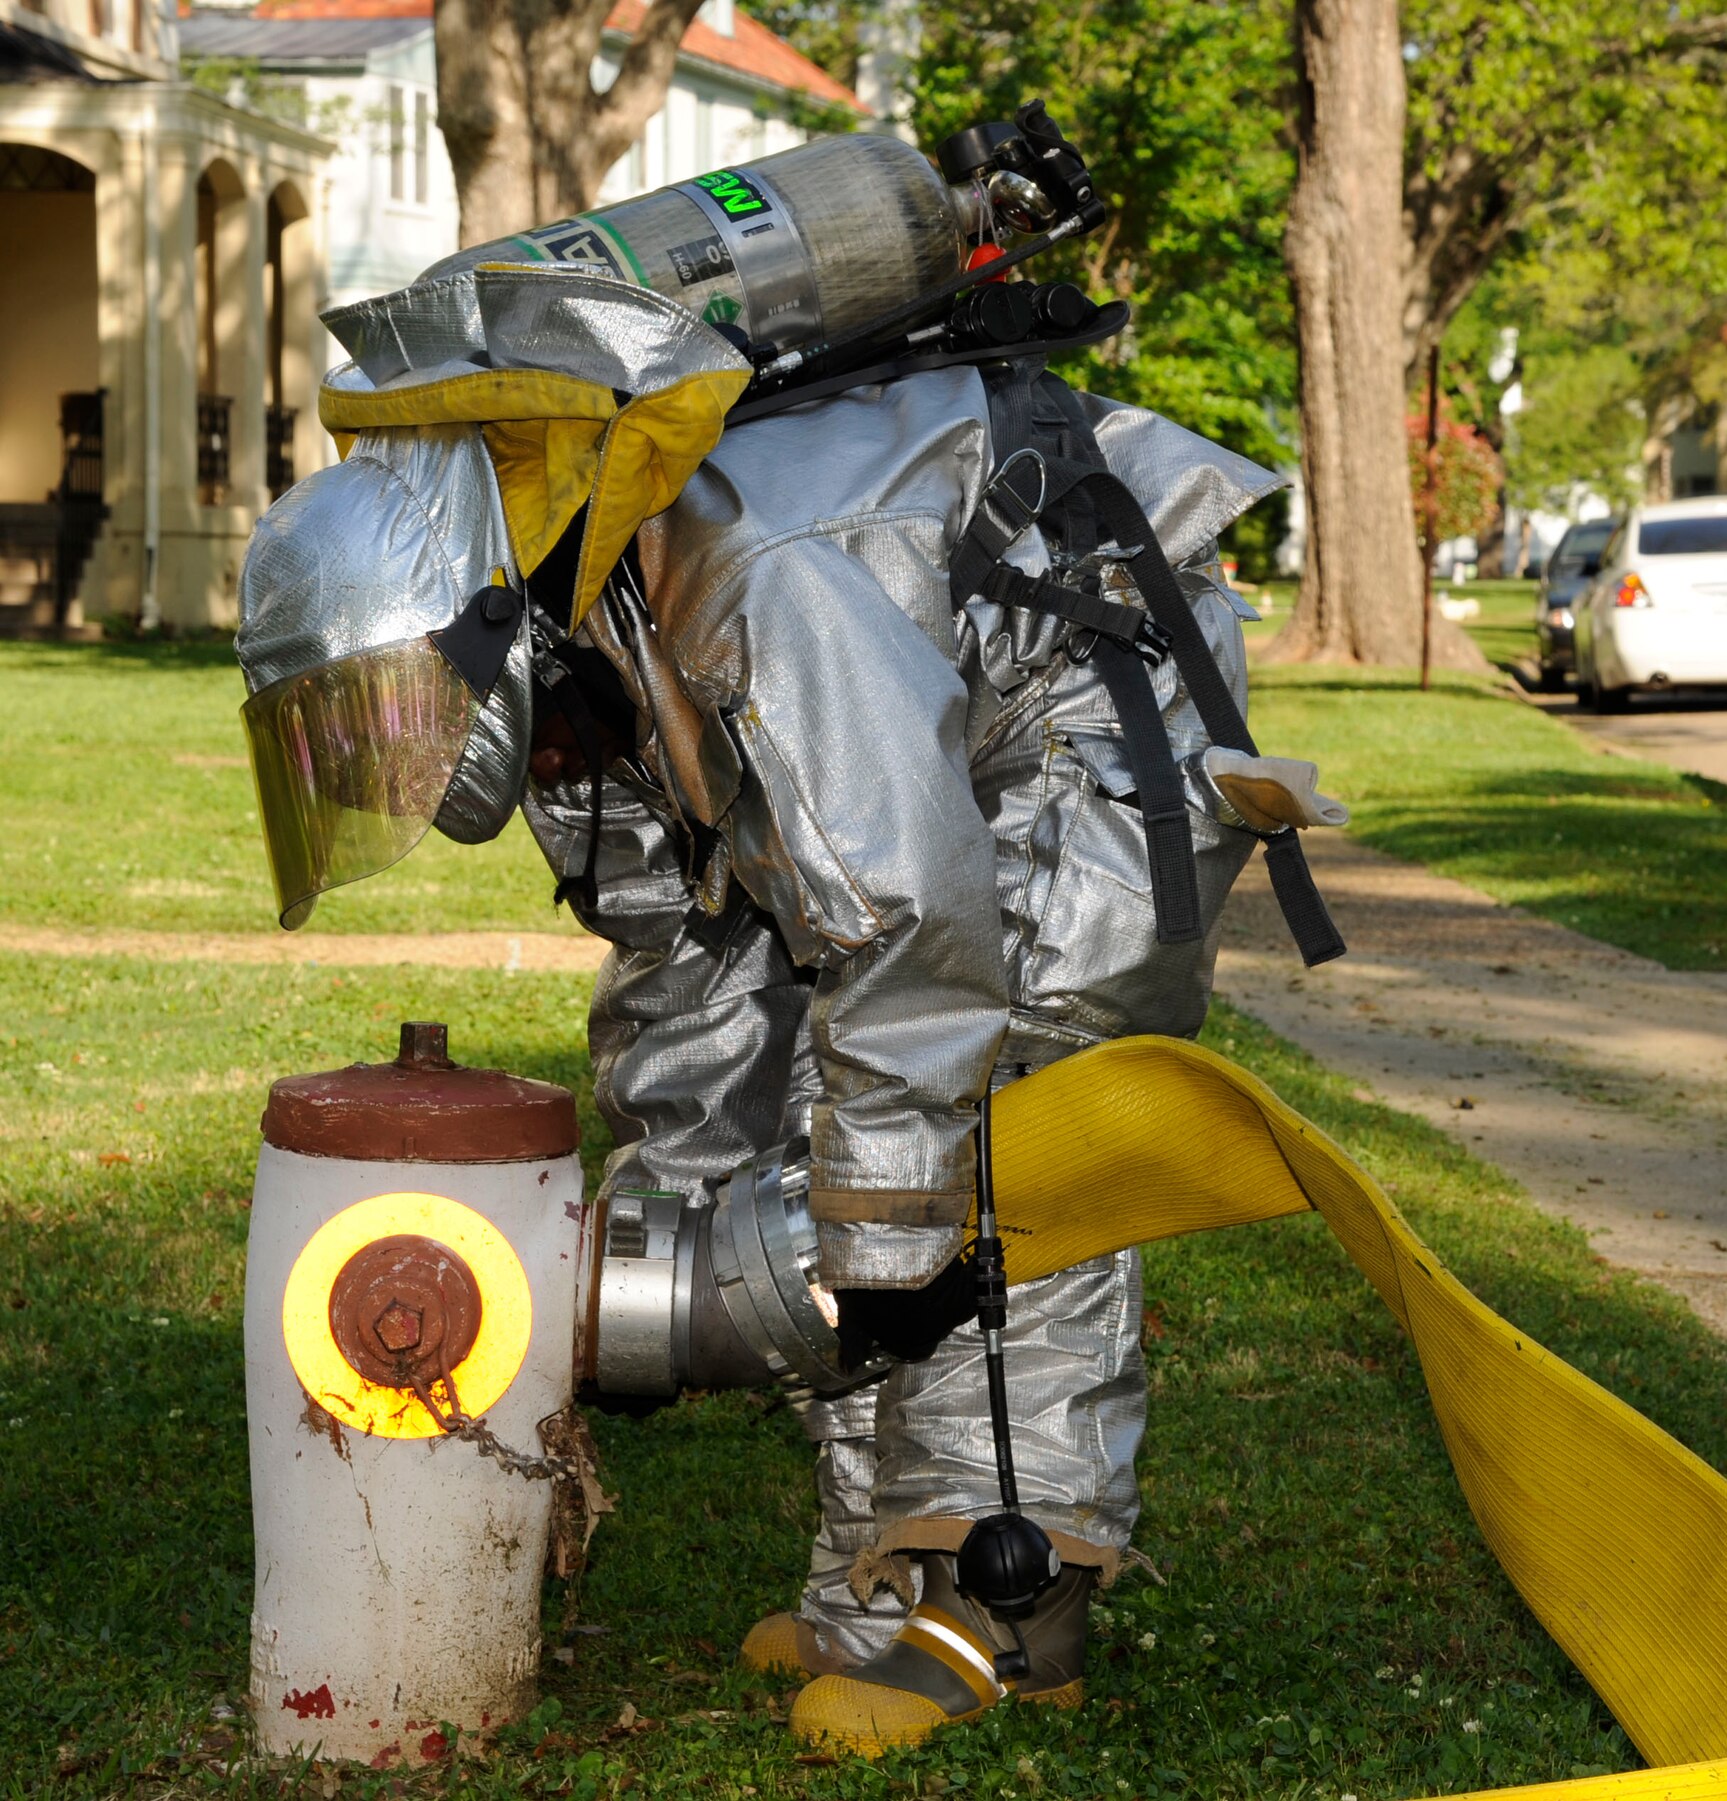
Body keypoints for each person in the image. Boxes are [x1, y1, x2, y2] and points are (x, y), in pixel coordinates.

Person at [235, 261, 1343, 1755]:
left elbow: (907, 918)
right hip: (930, 730)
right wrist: (673, 1247)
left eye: (383, 713)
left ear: (457, 638)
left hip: (1084, 696)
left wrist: (876, 1230)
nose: (396, 759)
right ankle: (870, 1583)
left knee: (998, 1116)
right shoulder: (587, 652)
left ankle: (1010, 1604)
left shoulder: (748, 585)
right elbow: (679, 974)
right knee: (839, 1152)